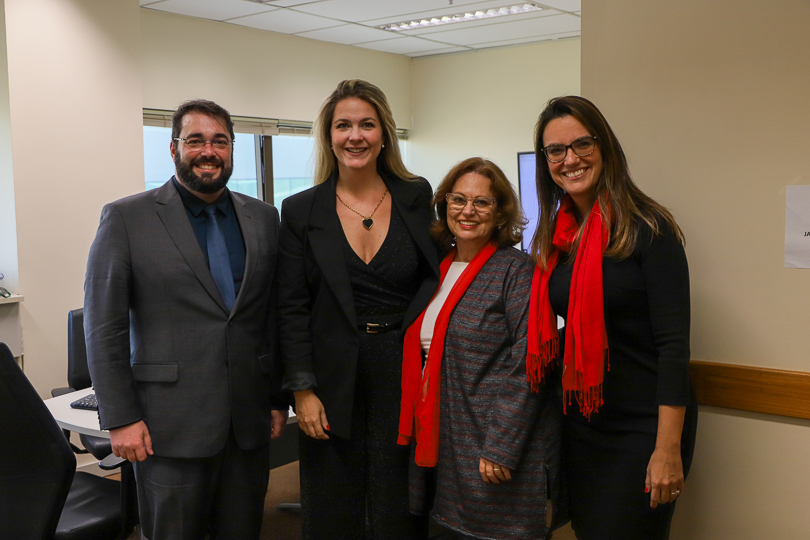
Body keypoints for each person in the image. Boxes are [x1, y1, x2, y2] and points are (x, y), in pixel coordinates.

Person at [85, 99, 289, 540]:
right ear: (174, 148)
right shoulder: (126, 218)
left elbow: (270, 316)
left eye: (219, 141)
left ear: (232, 148)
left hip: (247, 423)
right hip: (167, 428)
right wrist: (120, 417)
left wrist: (276, 396)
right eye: (195, 140)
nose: (208, 151)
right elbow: (105, 328)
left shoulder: (263, 218)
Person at [527, 95, 698, 540]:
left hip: (643, 430)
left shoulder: (649, 230)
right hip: (583, 427)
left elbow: (673, 349)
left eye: (582, 144)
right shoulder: (559, 239)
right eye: (555, 150)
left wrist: (667, 449)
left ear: (605, 147)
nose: (570, 159)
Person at [277, 79, 439, 539]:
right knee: (332, 500)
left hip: (403, 367)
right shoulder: (301, 210)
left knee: (400, 497)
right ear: (329, 137)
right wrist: (302, 390)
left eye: (367, 124)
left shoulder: (415, 195)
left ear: (384, 133)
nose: (355, 136)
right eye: (343, 125)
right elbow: (290, 307)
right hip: (329, 376)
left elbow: (439, 270)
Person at [398, 158, 562, 540]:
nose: (467, 211)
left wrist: (501, 446)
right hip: (444, 436)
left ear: (500, 212)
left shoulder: (516, 271)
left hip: (492, 443)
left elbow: (530, 363)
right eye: (458, 200)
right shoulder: (433, 270)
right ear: (445, 205)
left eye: (482, 202)